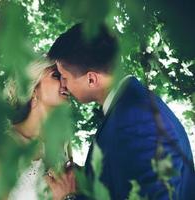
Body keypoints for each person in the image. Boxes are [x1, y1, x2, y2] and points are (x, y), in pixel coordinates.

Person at [46, 23, 195, 200]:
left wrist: (67, 198)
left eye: (65, 77)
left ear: (91, 79)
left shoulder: (139, 124)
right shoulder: (130, 107)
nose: (63, 85)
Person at [0, 58, 74, 200]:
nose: (66, 83)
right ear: (32, 89)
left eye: (66, 76)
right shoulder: (6, 146)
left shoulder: (62, 143)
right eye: (56, 76)